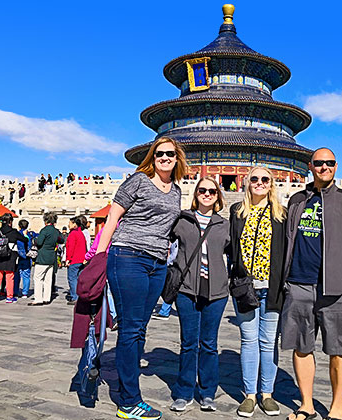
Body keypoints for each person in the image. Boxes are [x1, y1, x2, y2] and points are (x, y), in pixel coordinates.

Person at [95, 137, 186, 420]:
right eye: (159, 154)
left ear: (177, 158)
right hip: (129, 256)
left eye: (170, 154)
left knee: (140, 329)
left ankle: (128, 389)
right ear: (152, 157)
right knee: (131, 328)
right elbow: (113, 218)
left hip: (157, 263)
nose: (164, 158)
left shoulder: (176, 191)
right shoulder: (138, 181)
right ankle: (129, 401)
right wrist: (98, 257)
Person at [281, 148, 342, 420]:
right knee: (301, 347)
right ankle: (306, 405)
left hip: (338, 290)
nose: (324, 167)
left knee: (340, 350)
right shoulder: (297, 200)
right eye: (319, 163)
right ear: (310, 167)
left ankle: (337, 409)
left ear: (336, 166)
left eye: (329, 163)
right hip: (299, 284)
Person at [230, 166, 287, 417]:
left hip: (272, 287)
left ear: (272, 184)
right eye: (255, 178)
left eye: (265, 179)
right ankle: (250, 395)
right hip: (245, 287)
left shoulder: (281, 214)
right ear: (247, 182)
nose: (260, 182)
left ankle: (267, 393)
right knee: (248, 340)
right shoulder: (237, 212)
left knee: (268, 341)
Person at [170, 176, 230, 412]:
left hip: (216, 292)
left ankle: (207, 392)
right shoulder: (182, 220)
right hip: (186, 290)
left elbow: (236, 254)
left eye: (212, 191)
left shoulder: (224, 224)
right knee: (188, 343)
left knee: (209, 344)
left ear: (218, 196)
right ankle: (184, 392)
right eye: (202, 190)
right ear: (195, 194)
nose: (207, 194)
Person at [0, 213, 29, 303]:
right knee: (10, 277)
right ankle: (9, 297)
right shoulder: (14, 232)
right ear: (10, 222)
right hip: (10, 257)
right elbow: (25, 240)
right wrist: (25, 235)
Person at [30, 212, 64, 306]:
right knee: (48, 279)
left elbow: (39, 242)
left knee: (38, 278)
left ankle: (38, 299)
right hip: (52, 256)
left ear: (45, 220)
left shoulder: (44, 230)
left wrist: (35, 240)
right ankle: (46, 298)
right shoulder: (56, 231)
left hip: (43, 256)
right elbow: (61, 240)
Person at [66, 217, 87, 305]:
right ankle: (80, 297)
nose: (68, 225)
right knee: (78, 279)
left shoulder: (73, 234)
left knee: (72, 278)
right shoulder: (81, 233)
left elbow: (71, 247)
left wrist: (68, 259)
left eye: (70, 223)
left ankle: (75, 297)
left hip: (74, 259)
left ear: (75, 224)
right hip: (81, 260)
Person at [14, 219, 32, 298]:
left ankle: (15, 291)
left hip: (18, 256)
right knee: (26, 275)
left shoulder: (16, 234)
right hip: (27, 257)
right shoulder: (29, 234)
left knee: (17, 275)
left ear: (19, 226)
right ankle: (25, 292)